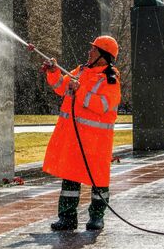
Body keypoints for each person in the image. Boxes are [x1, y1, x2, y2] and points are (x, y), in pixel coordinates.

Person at [40, 36, 121, 231]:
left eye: (94, 50)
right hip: (74, 139)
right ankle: (67, 218)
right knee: (70, 176)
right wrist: (53, 71)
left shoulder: (110, 80)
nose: (89, 52)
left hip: (96, 142)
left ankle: (97, 218)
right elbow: (61, 86)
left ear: (103, 56)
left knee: (98, 181)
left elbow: (101, 106)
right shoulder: (81, 71)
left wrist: (81, 90)